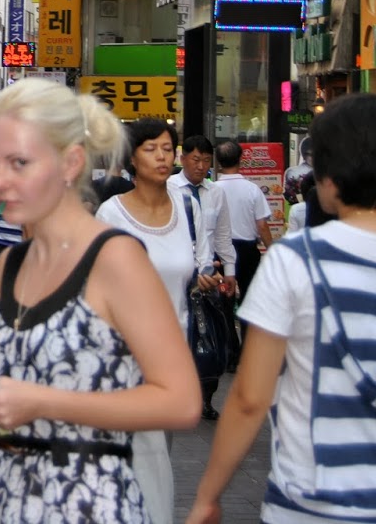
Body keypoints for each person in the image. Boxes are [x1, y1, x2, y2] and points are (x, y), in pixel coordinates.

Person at [185, 94, 376, 524]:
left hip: (310, 506)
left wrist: (208, 496)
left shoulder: (294, 261)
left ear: (328, 175)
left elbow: (251, 400)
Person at [0, 79, 199, 522]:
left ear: (70, 162)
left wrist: (43, 402)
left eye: (19, 162)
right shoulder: (10, 264)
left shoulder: (116, 258)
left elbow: (182, 402)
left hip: (93, 504)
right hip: (7, 503)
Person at [95, 118, 222, 522]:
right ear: (132, 157)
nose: (163, 156)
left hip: (175, 355)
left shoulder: (189, 207)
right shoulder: (110, 213)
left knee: (156, 455)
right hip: (123, 355)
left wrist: (209, 277)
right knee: (142, 459)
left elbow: (201, 260)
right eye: (152, 149)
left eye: (168, 148)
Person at [167, 134, 236, 419]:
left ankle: (206, 397)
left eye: (207, 161)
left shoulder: (215, 191)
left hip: (209, 273)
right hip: (178, 273)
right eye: (196, 159)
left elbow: (222, 234)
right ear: (183, 158)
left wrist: (229, 272)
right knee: (184, 335)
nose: (201, 166)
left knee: (212, 334)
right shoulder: (169, 187)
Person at [211, 139, 271, 366]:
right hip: (248, 253)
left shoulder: (213, 189)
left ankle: (230, 353)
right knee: (249, 299)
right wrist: (273, 248)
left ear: (217, 161)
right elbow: (262, 226)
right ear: (241, 159)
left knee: (224, 300)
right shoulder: (252, 190)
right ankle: (248, 352)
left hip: (222, 252)